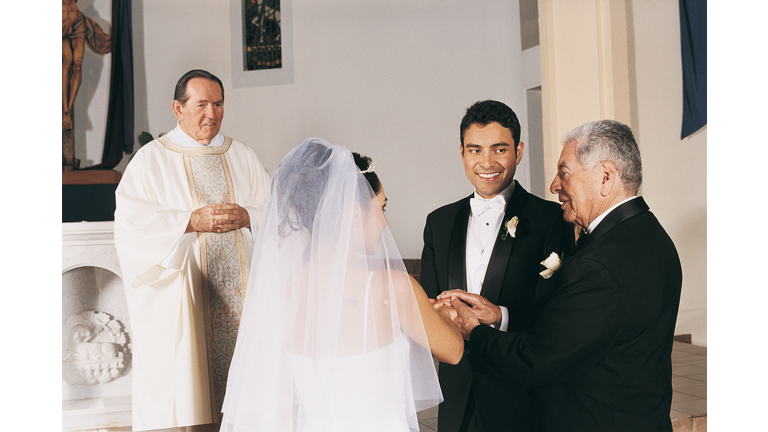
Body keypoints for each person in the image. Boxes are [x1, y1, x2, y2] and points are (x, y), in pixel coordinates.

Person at [449, 119, 683, 431]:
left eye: (564, 172)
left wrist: (473, 331)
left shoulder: (600, 264)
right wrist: (499, 316)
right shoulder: (650, 236)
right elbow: (574, 332)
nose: (555, 185)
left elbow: (535, 360)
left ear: (605, 176)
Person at [220, 138, 463, 432]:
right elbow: (453, 351)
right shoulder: (393, 288)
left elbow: (278, 399)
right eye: (381, 209)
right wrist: (444, 315)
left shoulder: (284, 290)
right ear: (350, 213)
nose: (385, 223)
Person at [114, 69, 270, 431]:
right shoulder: (151, 160)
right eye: (201, 104)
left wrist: (249, 215)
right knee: (191, 393)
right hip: (187, 301)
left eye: (218, 104)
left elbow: (276, 213)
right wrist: (187, 221)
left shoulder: (242, 155)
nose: (211, 114)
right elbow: (132, 225)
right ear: (177, 108)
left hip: (243, 303)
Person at [420, 100, 572, 432]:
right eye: (475, 150)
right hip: (457, 394)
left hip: (521, 395)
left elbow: (558, 312)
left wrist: (500, 315)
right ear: (461, 153)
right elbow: (429, 304)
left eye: (499, 149)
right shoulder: (439, 222)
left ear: (517, 151)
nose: (486, 162)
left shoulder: (551, 220)